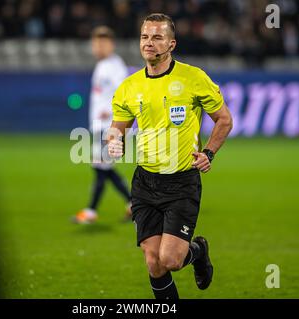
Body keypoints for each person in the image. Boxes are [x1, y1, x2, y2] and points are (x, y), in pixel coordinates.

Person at [107, 14, 233, 299]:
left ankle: (198, 251)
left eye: (157, 37)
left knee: (172, 260)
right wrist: (114, 142)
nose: (149, 43)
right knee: (154, 262)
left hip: (182, 183)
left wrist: (209, 153)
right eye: (144, 37)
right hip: (145, 182)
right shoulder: (129, 87)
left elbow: (224, 119)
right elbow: (117, 129)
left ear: (171, 43)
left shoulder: (193, 78)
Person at [73, 26, 132, 224]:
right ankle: (133, 204)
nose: (99, 46)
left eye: (103, 42)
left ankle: (91, 211)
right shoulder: (102, 65)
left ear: (111, 44)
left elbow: (124, 92)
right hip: (100, 125)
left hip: (109, 126)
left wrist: (114, 113)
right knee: (103, 167)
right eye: (96, 42)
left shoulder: (115, 66)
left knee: (100, 167)